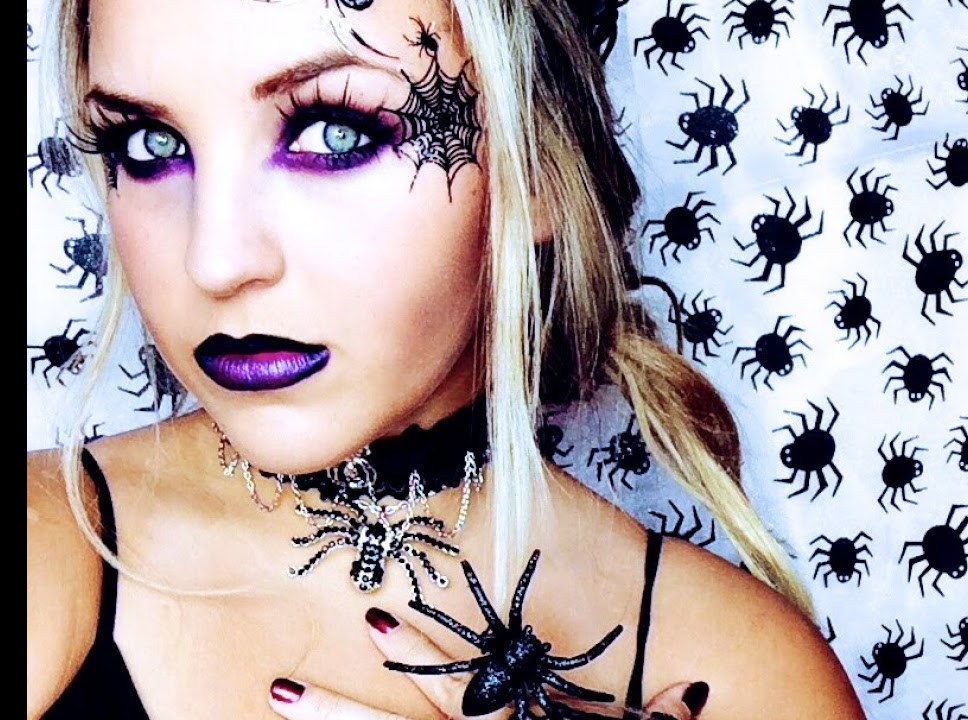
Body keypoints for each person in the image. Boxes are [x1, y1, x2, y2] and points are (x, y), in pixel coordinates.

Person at [26, 1, 866, 718]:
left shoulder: (742, 676)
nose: (215, 261)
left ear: (538, 163)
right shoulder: (51, 549)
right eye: (148, 144)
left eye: (333, 132)